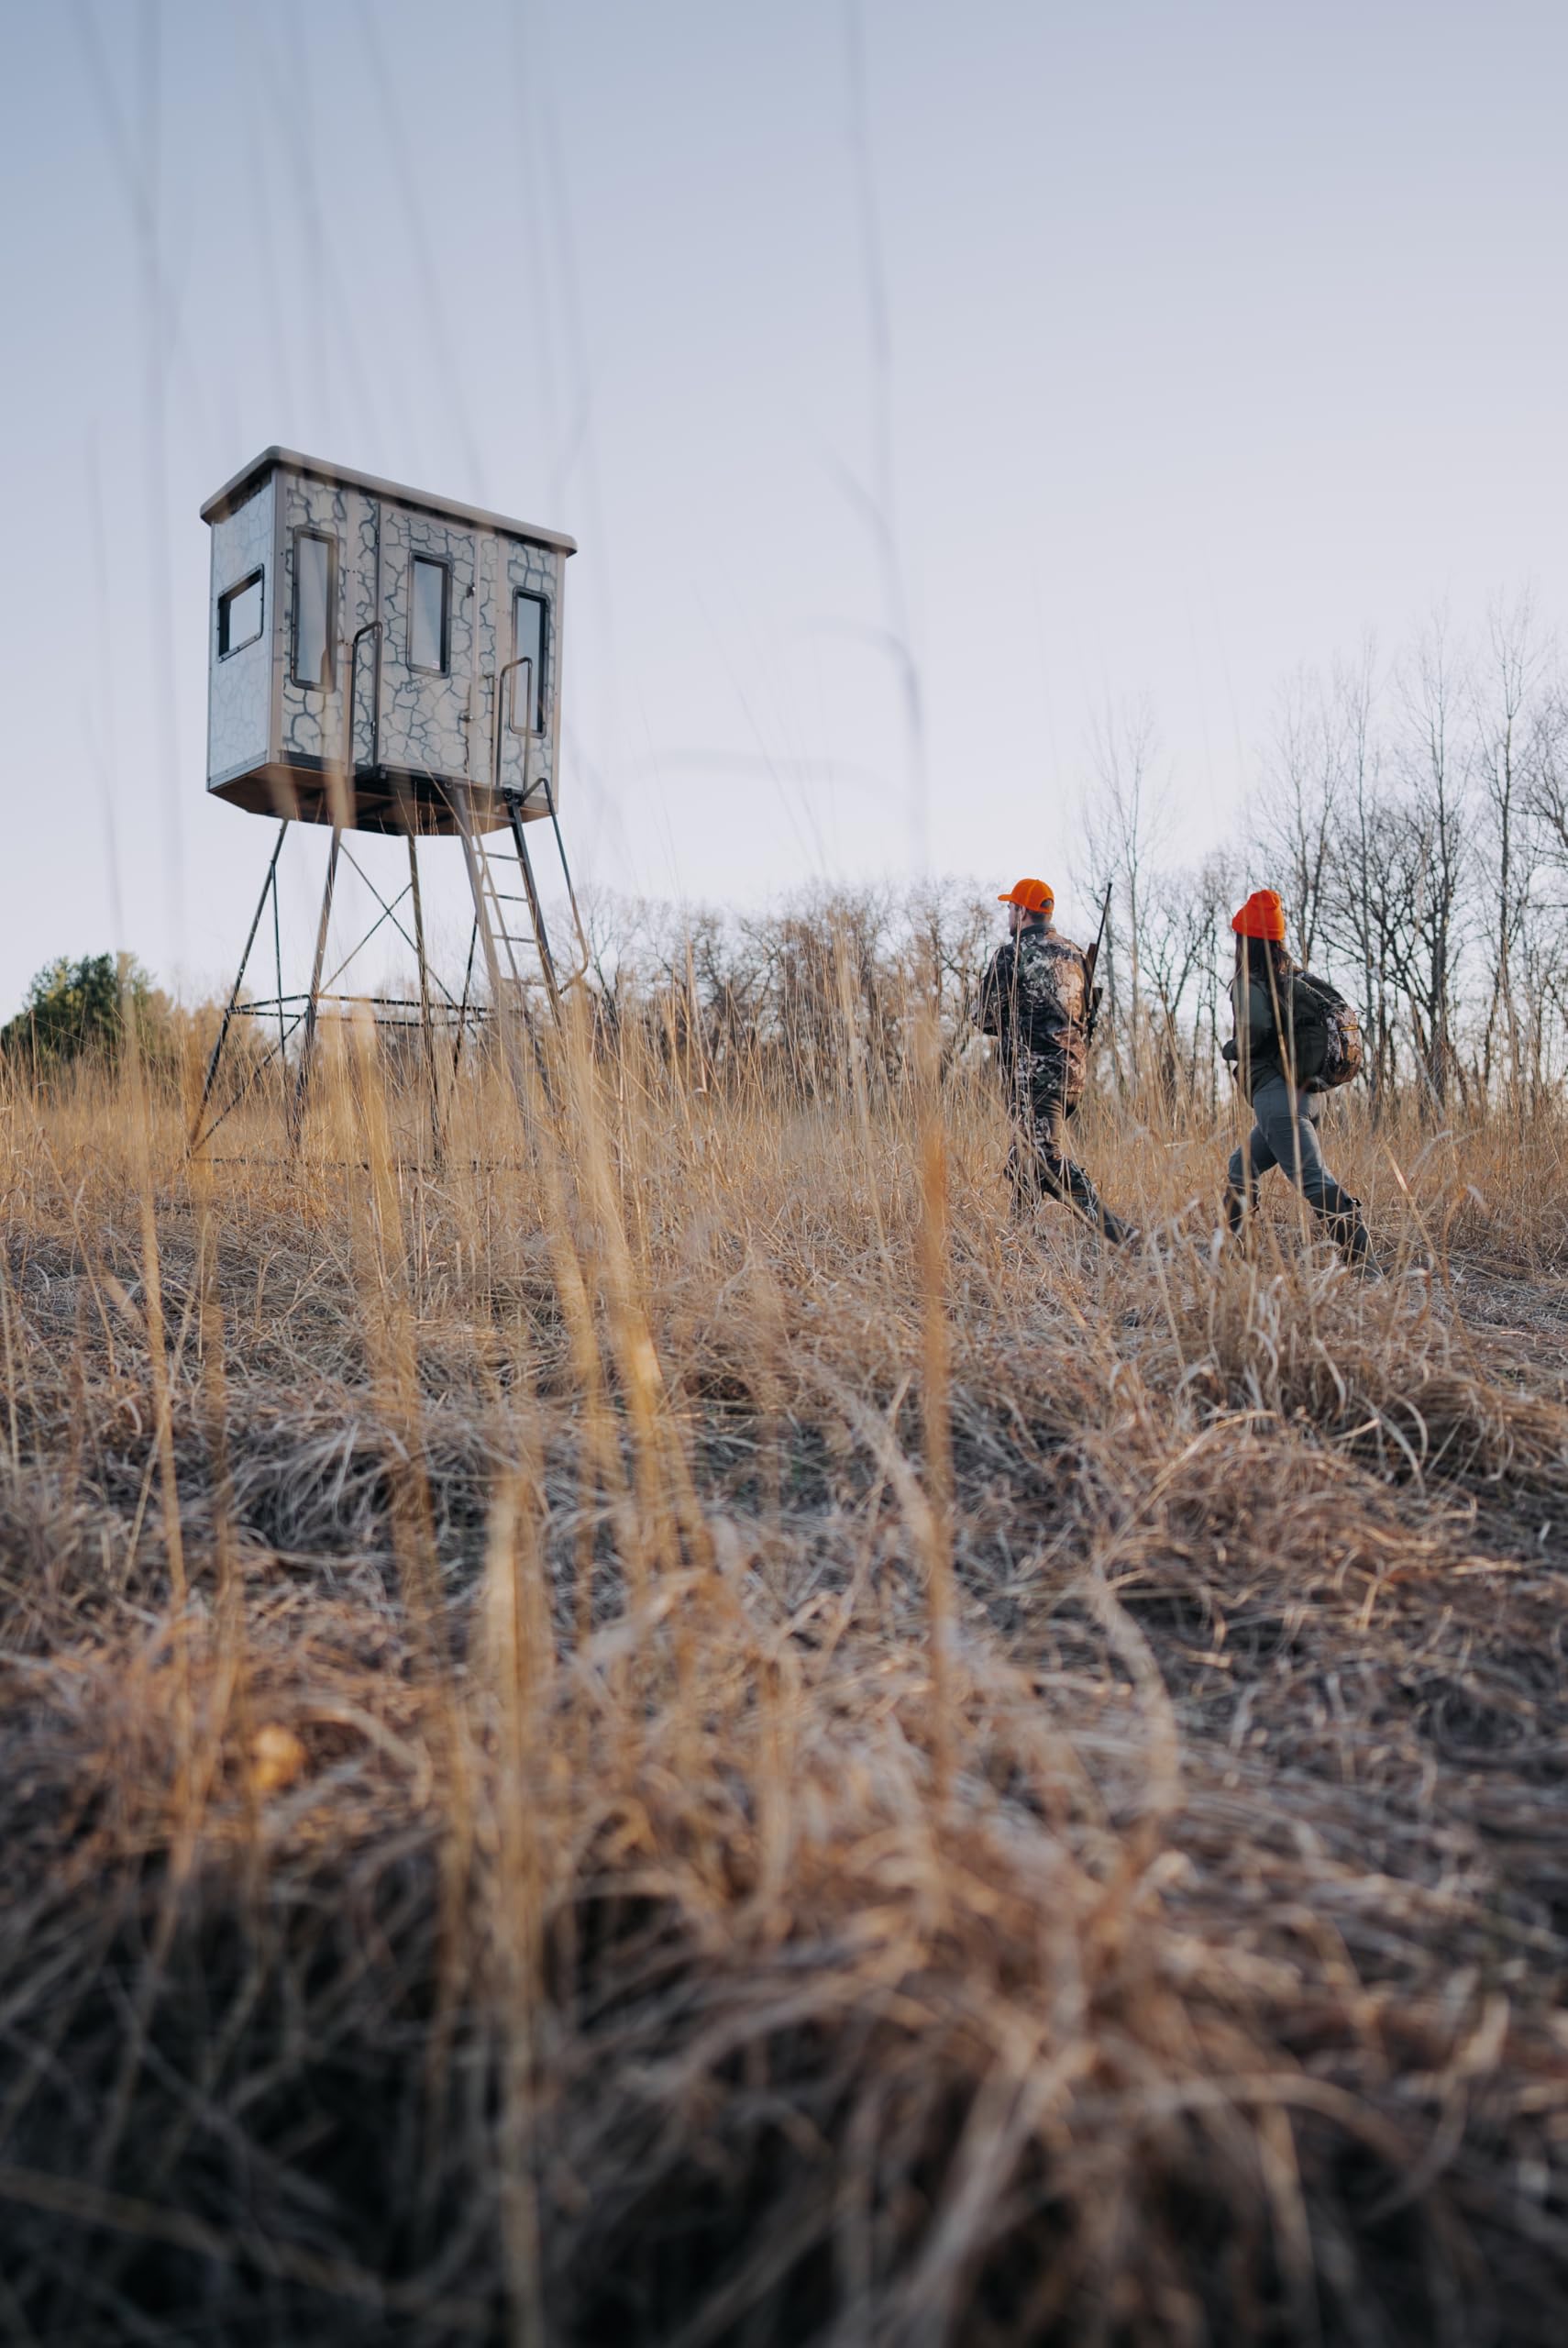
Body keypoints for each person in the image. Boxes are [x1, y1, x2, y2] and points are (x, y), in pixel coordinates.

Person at [1221, 889, 1375, 1268]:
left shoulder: (1251, 982)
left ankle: (1365, 1266)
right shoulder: (1292, 978)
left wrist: (1231, 1047)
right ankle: (1238, 1256)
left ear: (1248, 942)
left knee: (1313, 1182)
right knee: (1242, 1165)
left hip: (1278, 1104)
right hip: (1306, 1097)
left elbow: (1254, 1034)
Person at [974, 877, 1132, 1244]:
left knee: (1045, 1162)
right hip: (1073, 1079)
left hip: (1034, 1080)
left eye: (1011, 908)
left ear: (1024, 912)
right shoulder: (1076, 954)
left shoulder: (1009, 955)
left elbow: (983, 1018)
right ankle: (1021, 1243)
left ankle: (1121, 1236)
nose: (1008, 916)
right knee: (1025, 1159)